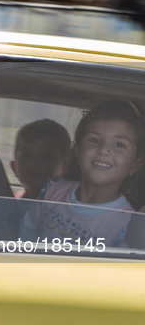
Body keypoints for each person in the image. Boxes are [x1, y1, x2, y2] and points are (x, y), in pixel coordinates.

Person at [19, 101, 145, 246]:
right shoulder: (53, 192)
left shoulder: (126, 223)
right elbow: (26, 235)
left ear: (135, 163)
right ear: (77, 151)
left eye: (119, 145)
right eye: (94, 140)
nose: (103, 150)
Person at [10, 119, 71, 199]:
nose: (34, 163)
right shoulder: (11, 201)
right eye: (26, 155)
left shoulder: (63, 206)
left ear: (64, 169)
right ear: (14, 167)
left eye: (46, 156)